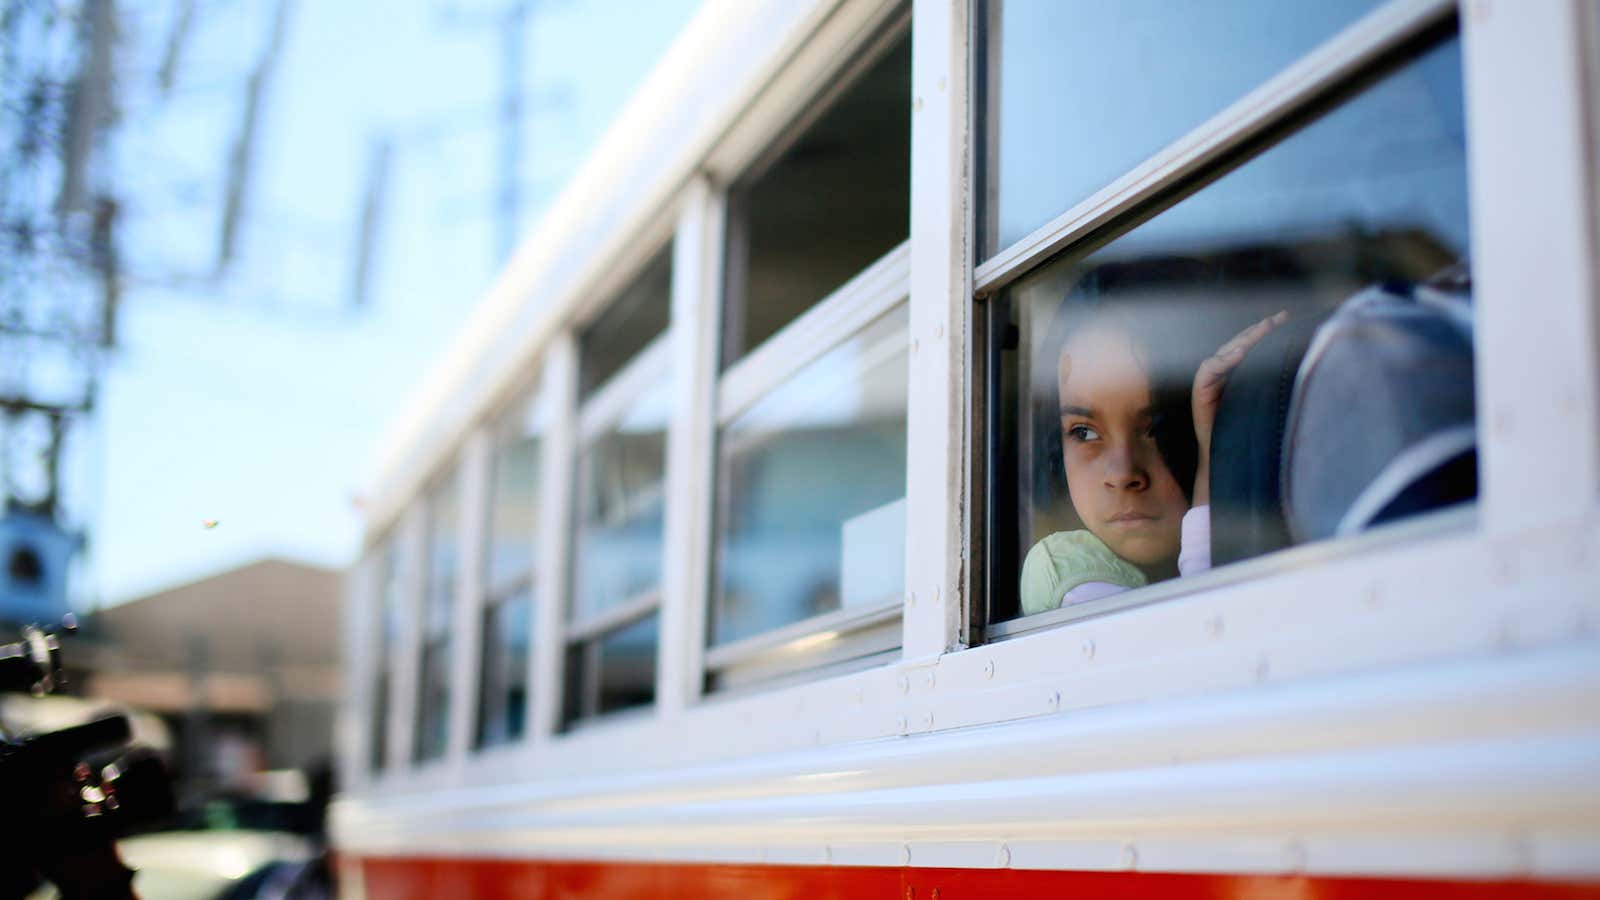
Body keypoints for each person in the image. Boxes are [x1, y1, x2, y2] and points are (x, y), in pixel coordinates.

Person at [1019, 307, 1285, 615]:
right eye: (1084, 432)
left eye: (1157, 430)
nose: (1123, 474)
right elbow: (1207, 633)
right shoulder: (1066, 575)